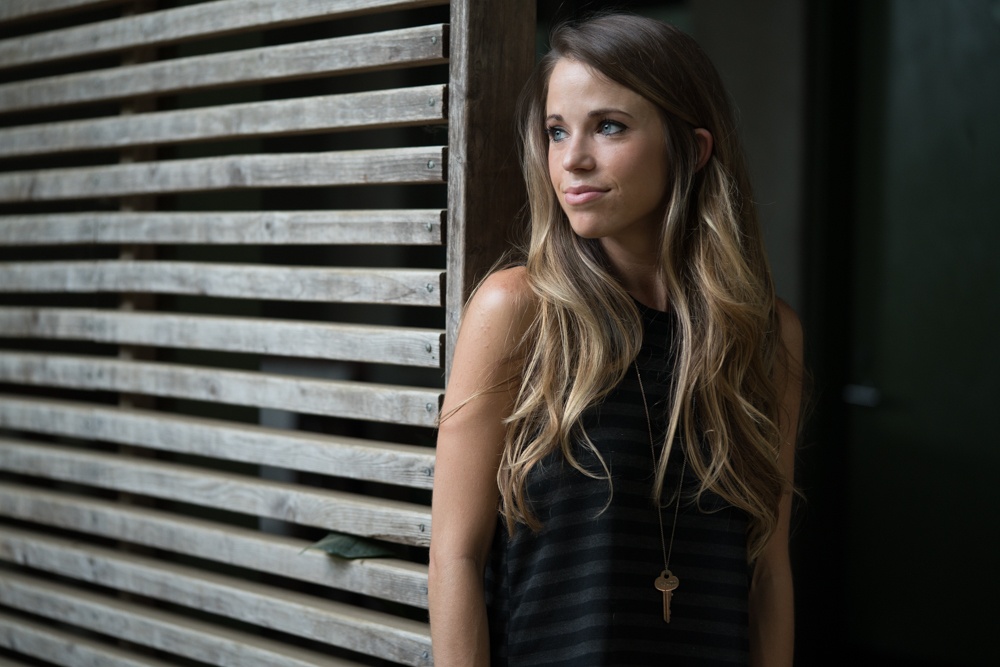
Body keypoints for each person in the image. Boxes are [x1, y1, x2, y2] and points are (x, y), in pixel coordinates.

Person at [428, 13, 803, 667]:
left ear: (693, 148)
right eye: (556, 131)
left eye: (608, 126)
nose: (572, 159)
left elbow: (768, 569)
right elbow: (454, 556)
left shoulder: (765, 334)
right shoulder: (518, 311)